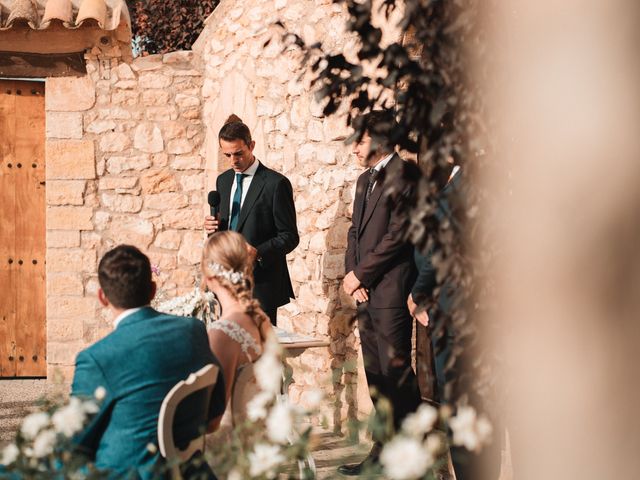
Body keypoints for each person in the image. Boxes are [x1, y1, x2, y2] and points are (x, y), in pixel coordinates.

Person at [71, 245, 226, 479]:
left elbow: (73, 442)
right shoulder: (193, 330)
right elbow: (213, 418)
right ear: (153, 290)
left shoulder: (97, 358)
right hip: (192, 472)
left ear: (102, 297)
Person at [339, 112, 421, 476]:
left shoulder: (405, 175)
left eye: (361, 139)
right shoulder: (362, 181)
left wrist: (361, 274)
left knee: (397, 376)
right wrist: (351, 278)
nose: (354, 147)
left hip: (390, 289)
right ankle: (382, 449)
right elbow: (354, 233)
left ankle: (413, 458)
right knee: (375, 376)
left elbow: (398, 236)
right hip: (364, 294)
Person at [204, 115, 299, 326]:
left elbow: (290, 237)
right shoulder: (224, 181)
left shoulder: (276, 184)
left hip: (261, 285)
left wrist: (258, 253)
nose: (233, 161)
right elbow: (226, 230)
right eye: (227, 154)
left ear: (252, 146)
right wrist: (212, 229)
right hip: (226, 282)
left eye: (239, 153)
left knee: (260, 352)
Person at [201, 231, 274, 426]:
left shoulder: (222, 333)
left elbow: (211, 422)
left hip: (229, 447)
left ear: (209, 275)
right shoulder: (259, 318)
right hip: (255, 441)